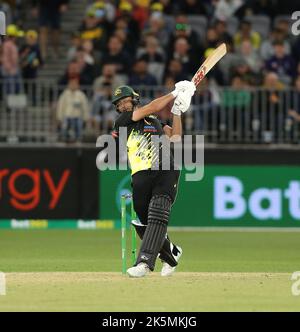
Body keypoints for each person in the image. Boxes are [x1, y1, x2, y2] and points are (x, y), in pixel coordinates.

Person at [110, 80, 196, 277]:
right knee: (143, 224)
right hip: (140, 176)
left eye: (124, 100)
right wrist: (175, 92)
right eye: (118, 104)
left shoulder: (154, 121)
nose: (122, 105)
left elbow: (175, 137)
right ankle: (172, 253)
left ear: (134, 98)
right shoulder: (123, 121)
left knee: (158, 213)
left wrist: (177, 111)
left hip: (164, 170)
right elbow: (153, 106)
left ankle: (144, 262)